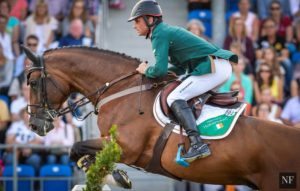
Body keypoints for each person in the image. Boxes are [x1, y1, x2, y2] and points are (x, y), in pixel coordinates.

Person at [129, 0, 238, 162]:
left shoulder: (159, 33)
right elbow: (178, 69)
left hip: (213, 67)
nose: (134, 25)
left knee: (174, 97)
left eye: (137, 20)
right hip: (217, 66)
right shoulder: (163, 32)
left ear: (150, 20)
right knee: (180, 91)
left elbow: (159, 70)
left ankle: (197, 144)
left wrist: (146, 70)